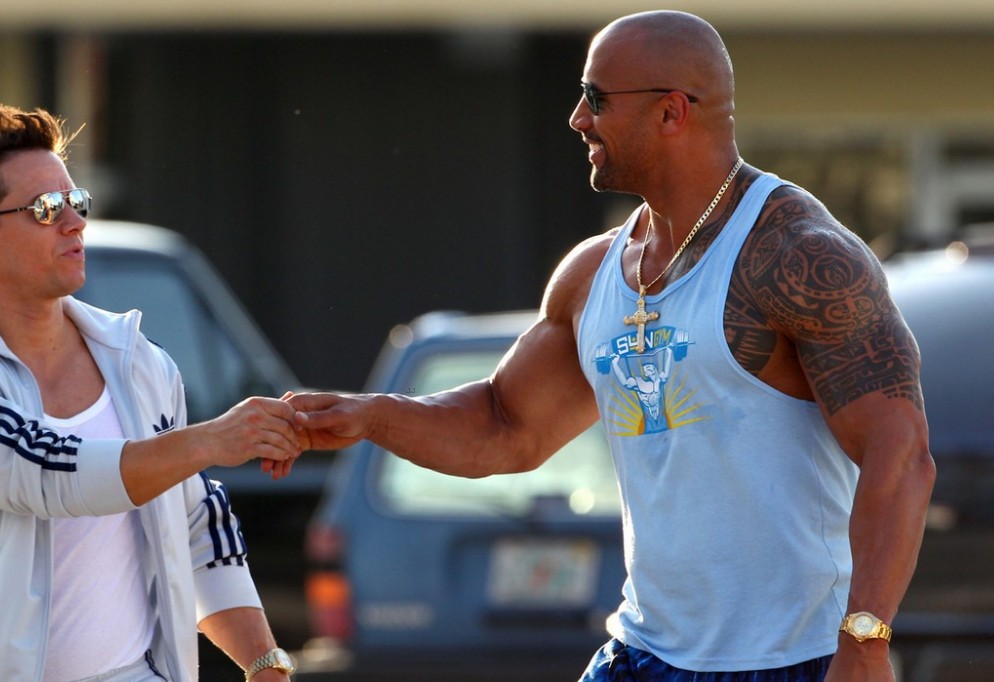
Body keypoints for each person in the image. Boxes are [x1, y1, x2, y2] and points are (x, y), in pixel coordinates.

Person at [290, 10, 935, 682]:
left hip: (794, 662)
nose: (577, 118)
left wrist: (865, 640)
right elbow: (505, 427)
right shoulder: (593, 272)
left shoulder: (798, 257)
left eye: (597, 98)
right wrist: (370, 416)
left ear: (671, 112)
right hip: (642, 655)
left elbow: (901, 452)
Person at [0, 105, 302, 682]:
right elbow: (52, 473)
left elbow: (196, 521)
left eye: (77, 203)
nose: (74, 223)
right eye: (46, 209)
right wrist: (213, 440)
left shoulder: (140, 360)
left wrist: (266, 665)